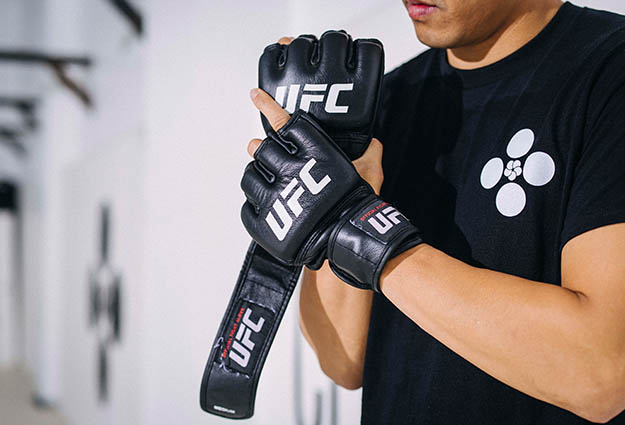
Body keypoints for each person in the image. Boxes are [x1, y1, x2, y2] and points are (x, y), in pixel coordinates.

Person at [247, 0, 625, 423]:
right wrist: (328, 173)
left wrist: (363, 232)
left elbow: (601, 372)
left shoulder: (609, 70)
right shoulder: (385, 99)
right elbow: (342, 359)